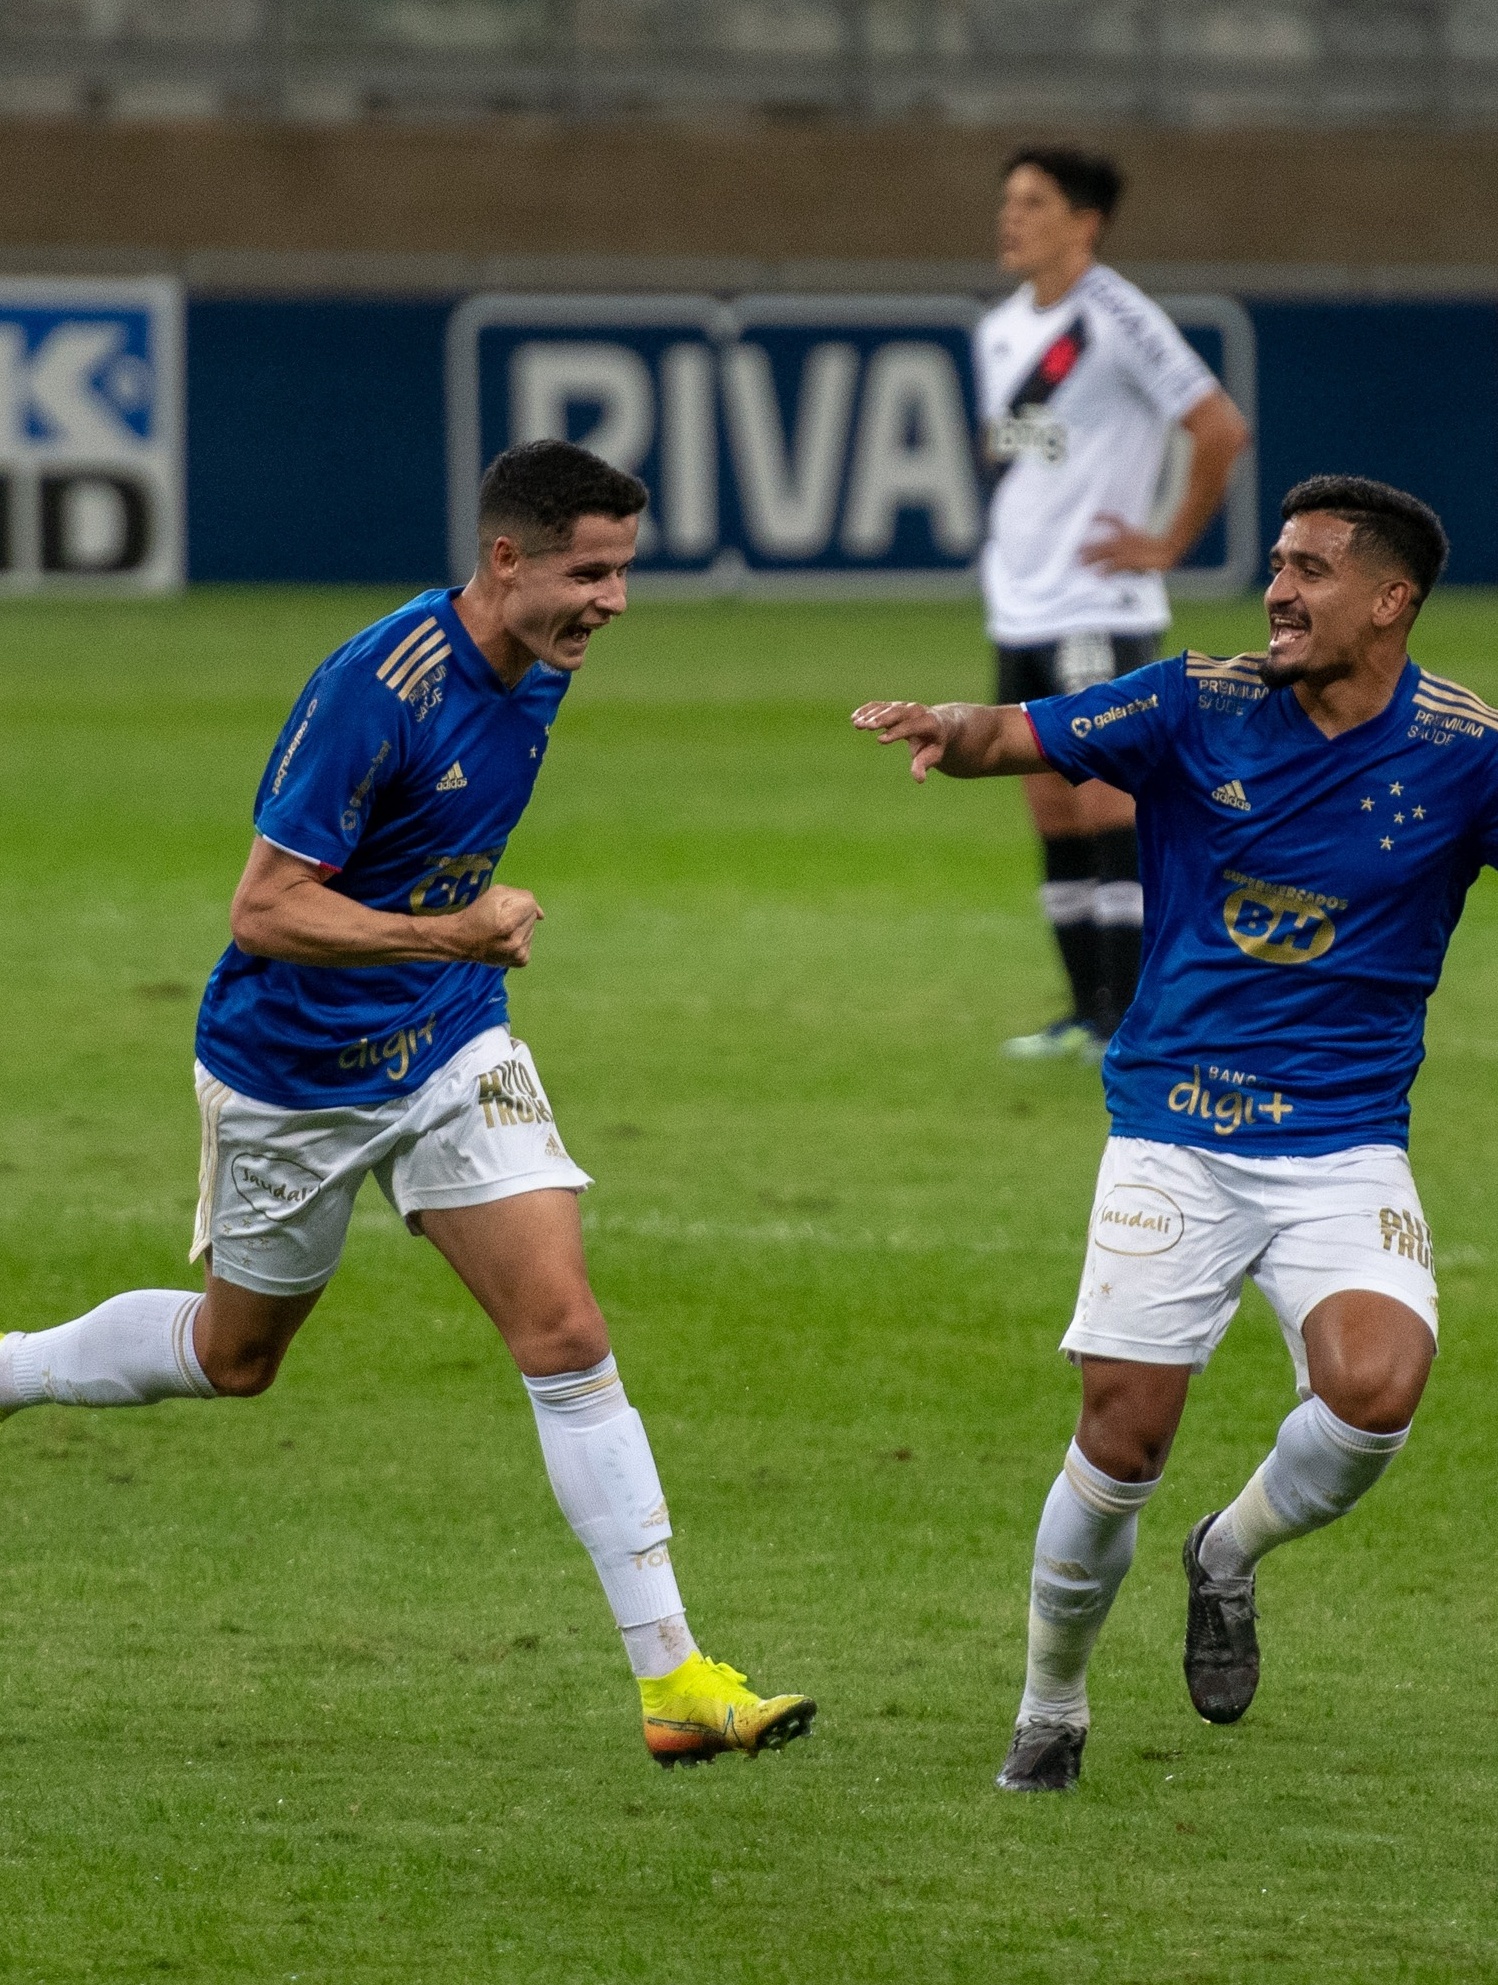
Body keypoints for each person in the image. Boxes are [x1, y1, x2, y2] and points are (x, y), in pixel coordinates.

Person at [0, 439, 814, 1770]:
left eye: (621, 574)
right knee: (234, 1357)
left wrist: (450, 959)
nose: (611, 602)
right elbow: (262, 909)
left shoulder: (538, 663)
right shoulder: (378, 688)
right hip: (291, 1075)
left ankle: (673, 1676)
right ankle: (15, 1369)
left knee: (563, 1329)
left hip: (444, 1049)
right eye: (588, 573)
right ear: (505, 560)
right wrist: (452, 933)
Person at [854, 475, 1473, 1791]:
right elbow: (1016, 731)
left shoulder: (1462, 753)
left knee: (1374, 1394)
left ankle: (1227, 1553)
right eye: (1275, 565)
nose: (1278, 591)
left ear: (1389, 599)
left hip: (1344, 1140)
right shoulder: (1198, 699)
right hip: (1174, 1131)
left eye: (1309, 570)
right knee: (1121, 1438)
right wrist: (947, 728)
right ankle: (1051, 1705)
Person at [976, 145, 1250, 1059]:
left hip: (1096, 602)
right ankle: (1087, 1012)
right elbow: (1023, 453)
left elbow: (1219, 427)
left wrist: (1168, 543)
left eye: (1033, 202)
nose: (1010, 216)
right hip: (1020, 604)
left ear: (1083, 223)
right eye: (1008, 200)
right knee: (1050, 809)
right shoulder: (1000, 330)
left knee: (1107, 809)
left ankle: (1133, 1016)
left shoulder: (1120, 317)